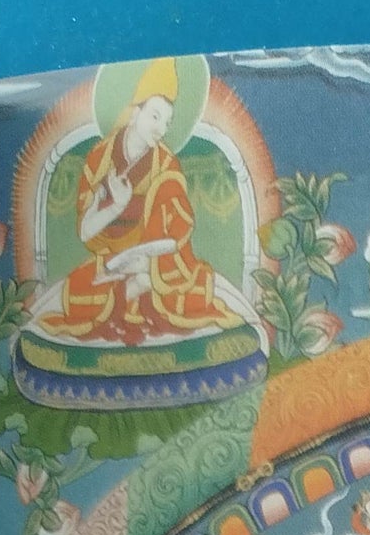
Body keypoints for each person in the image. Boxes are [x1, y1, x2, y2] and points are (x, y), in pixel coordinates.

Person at [35, 58, 256, 347]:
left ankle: (139, 287)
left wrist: (149, 266)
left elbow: (178, 232)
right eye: (155, 116)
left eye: (167, 122)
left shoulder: (166, 165)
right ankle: (133, 290)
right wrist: (116, 206)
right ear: (134, 112)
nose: (161, 129)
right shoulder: (100, 160)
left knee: (193, 290)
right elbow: (86, 232)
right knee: (79, 292)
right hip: (113, 260)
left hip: (158, 264)